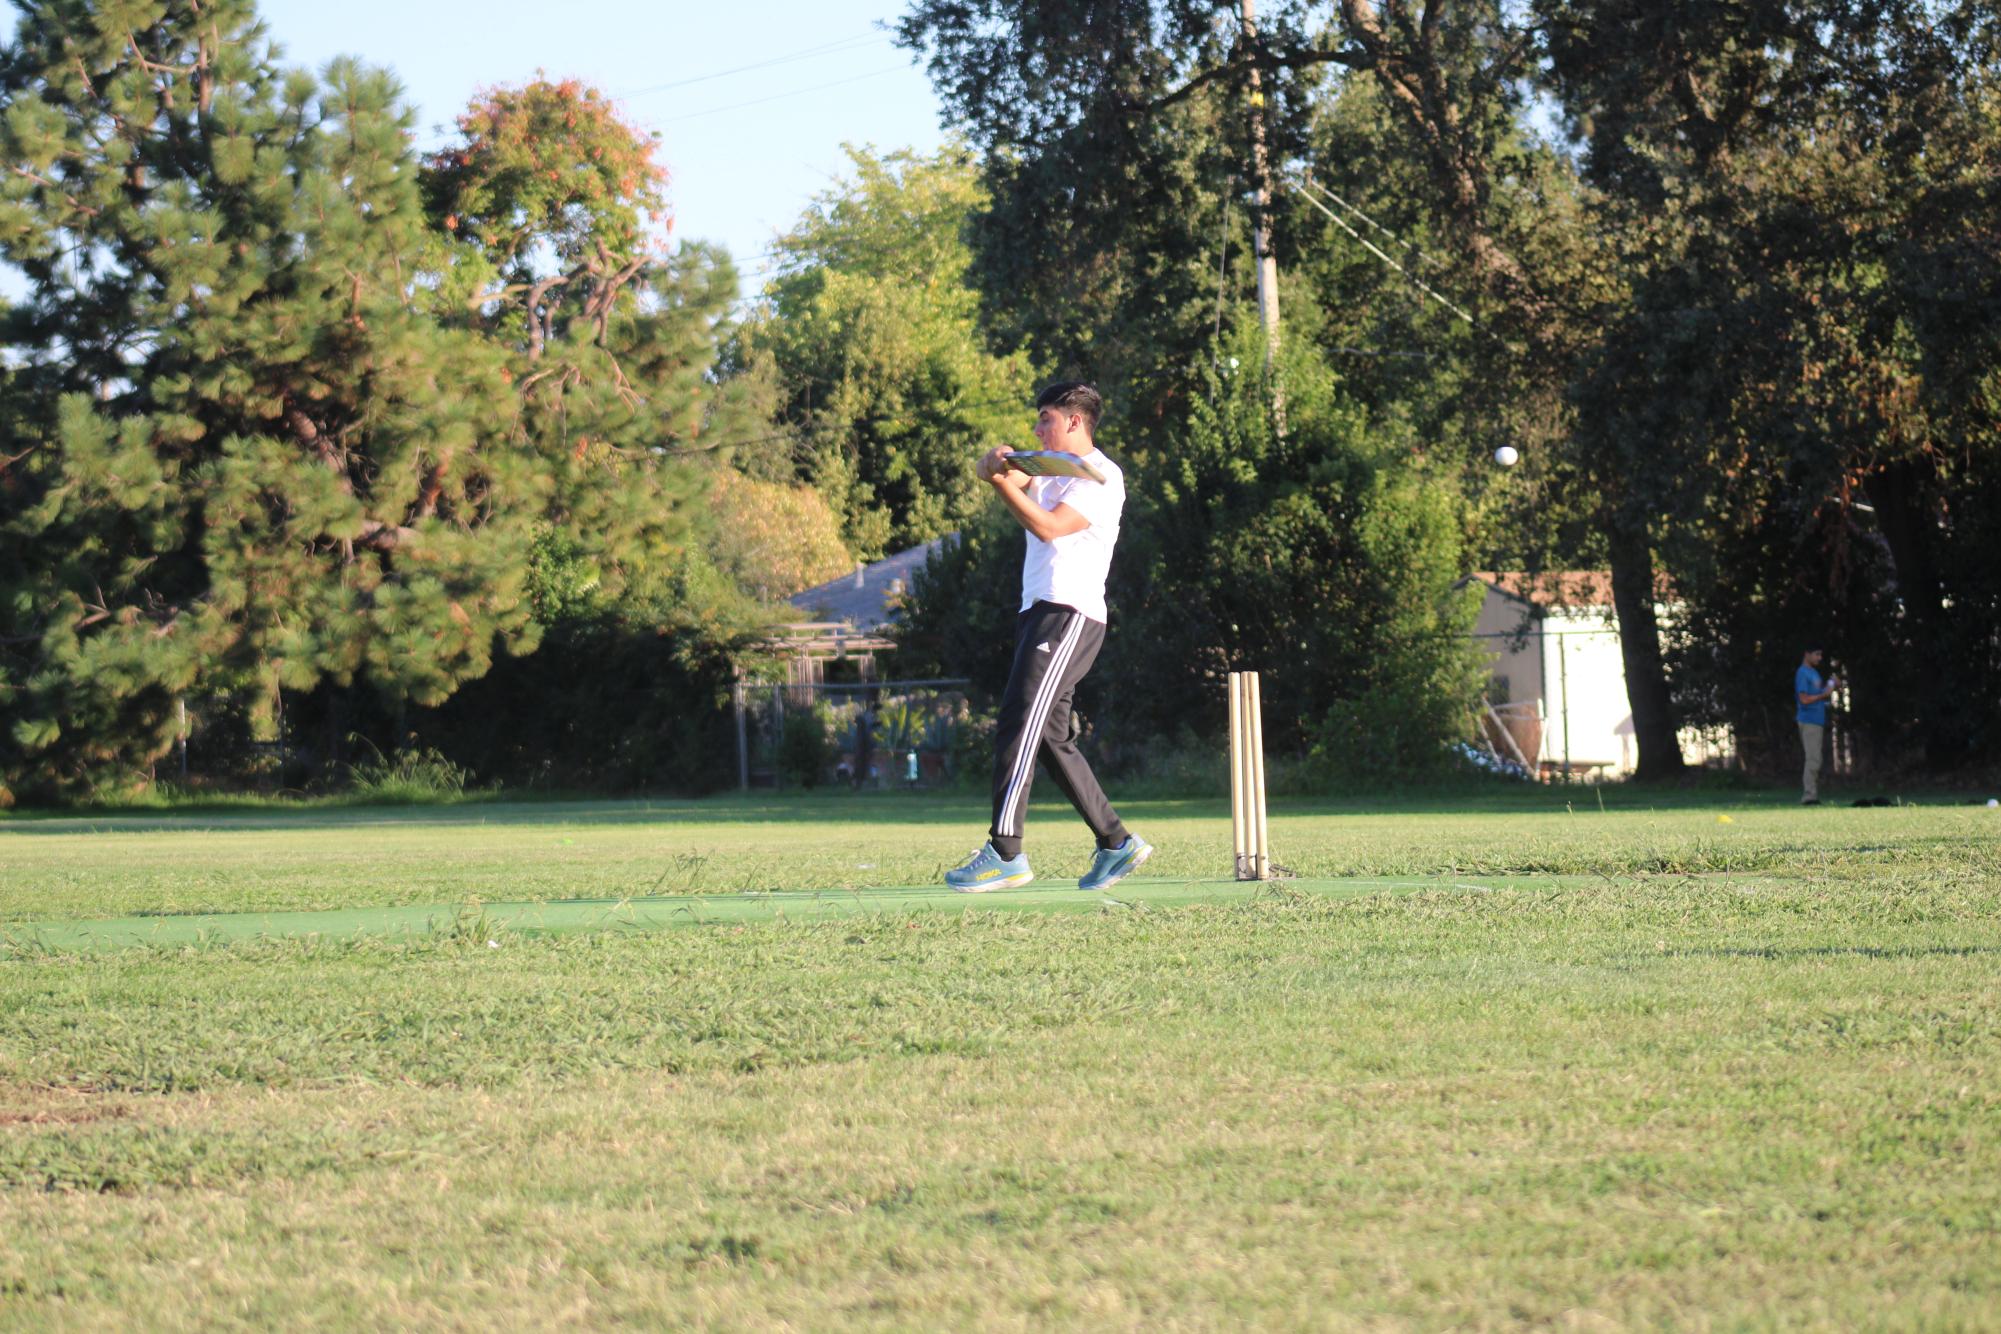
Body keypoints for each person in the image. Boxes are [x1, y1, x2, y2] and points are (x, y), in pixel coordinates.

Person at [943, 382, 1152, 892]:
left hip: (1069, 612)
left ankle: (1005, 851)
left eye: (1045, 419)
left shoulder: (1099, 475)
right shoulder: (1047, 465)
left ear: (1076, 422)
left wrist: (1001, 483)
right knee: (1051, 737)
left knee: (1018, 718)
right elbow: (988, 470)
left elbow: (1050, 528)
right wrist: (991, 462)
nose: (1037, 429)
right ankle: (1115, 842)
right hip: (1038, 611)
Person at [1795, 646, 1840, 805]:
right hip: (1809, 721)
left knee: (1816, 759)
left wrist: (1833, 685)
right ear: (1806, 653)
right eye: (1817, 654)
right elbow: (1804, 699)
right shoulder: (1803, 673)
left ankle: (1811, 795)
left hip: (1817, 721)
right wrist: (1823, 694)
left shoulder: (1814, 673)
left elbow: (1820, 696)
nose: (1820, 658)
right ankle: (1809, 797)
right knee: (1813, 759)